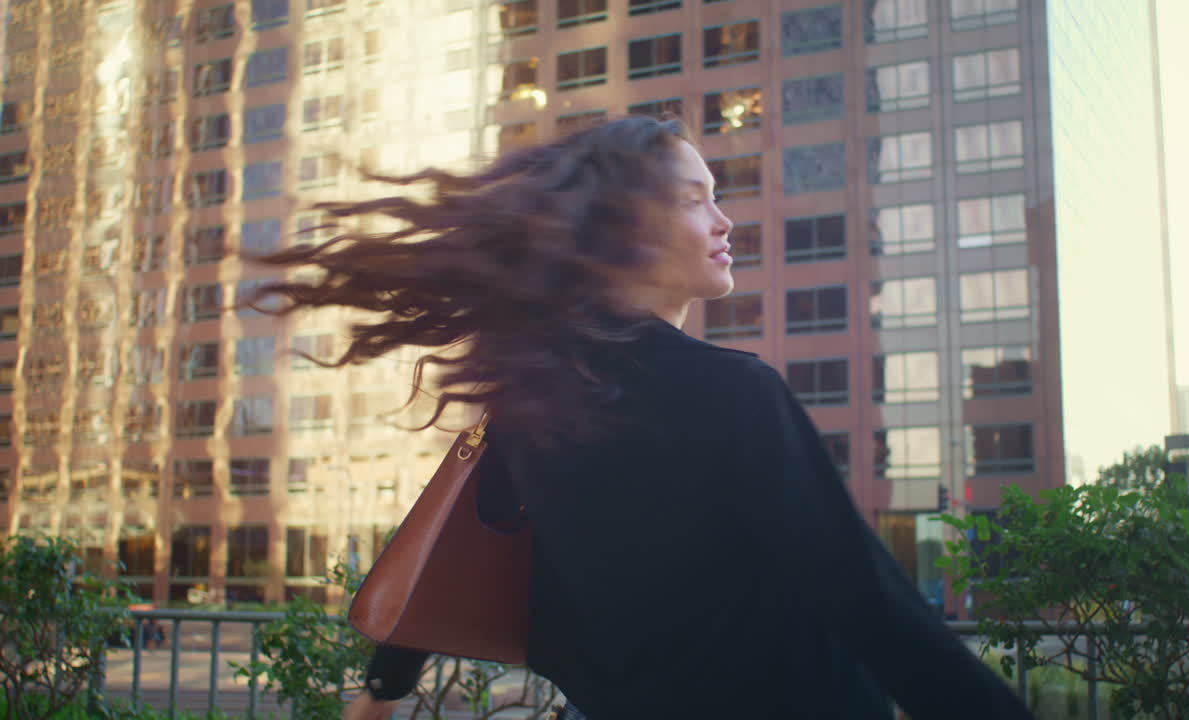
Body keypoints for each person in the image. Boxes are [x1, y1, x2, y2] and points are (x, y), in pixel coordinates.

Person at [244, 115, 1033, 720]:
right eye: (695, 200)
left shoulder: (536, 410)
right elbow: (870, 605)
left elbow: (452, 554)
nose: (725, 223)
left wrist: (381, 693)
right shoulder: (733, 394)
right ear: (623, 233)